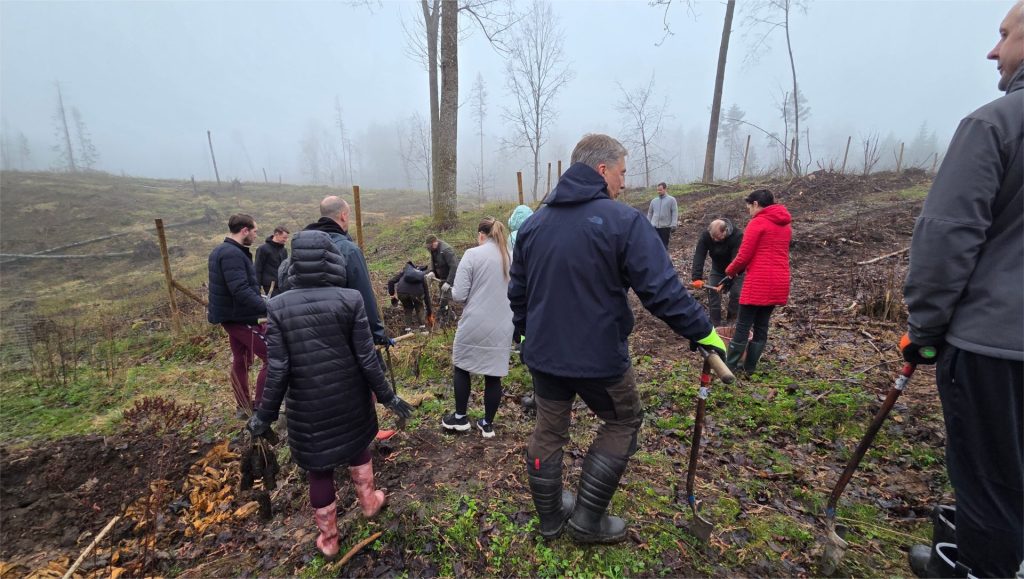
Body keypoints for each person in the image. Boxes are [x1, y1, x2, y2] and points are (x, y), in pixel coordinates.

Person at [509, 134, 726, 543]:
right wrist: (705, 332)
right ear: (602, 170)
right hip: (599, 359)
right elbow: (662, 291)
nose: (624, 183)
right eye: (622, 173)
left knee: (548, 431)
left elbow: (517, 295)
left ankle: (551, 519)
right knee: (623, 420)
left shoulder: (535, 225)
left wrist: (526, 335)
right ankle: (587, 520)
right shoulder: (623, 222)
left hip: (543, 356)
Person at [902, 3, 1023, 576]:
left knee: (992, 476)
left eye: (1004, 34)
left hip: (996, 344)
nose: (993, 50)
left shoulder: (995, 124)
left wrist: (925, 328)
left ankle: (978, 567)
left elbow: (945, 239)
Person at [246, 230, 413, 559]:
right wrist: (388, 396)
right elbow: (367, 358)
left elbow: (277, 369)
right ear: (331, 260)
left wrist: (264, 415)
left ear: (294, 263)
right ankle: (369, 502)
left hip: (306, 406)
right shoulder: (350, 299)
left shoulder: (277, 307)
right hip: (350, 396)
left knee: (318, 469)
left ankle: (329, 539)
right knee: (357, 446)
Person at [441, 218, 515, 438]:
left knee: (462, 367)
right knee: (493, 375)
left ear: (481, 235)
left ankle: (461, 418)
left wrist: (449, 290)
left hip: (474, 323)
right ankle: (487, 424)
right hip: (503, 325)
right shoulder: (511, 257)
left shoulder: (473, 255)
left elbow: (460, 295)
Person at [303, 197, 391, 347]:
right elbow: (363, 295)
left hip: (307, 337)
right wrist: (377, 334)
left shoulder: (300, 250)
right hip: (345, 336)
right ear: (343, 215)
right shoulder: (348, 250)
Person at [722, 190, 792, 376]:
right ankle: (750, 367)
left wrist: (729, 271)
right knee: (762, 325)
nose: (748, 210)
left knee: (743, 325)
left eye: (748, 206)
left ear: (755, 204)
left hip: (759, 282)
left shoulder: (757, 223)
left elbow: (744, 256)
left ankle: (729, 367)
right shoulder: (785, 225)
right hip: (779, 281)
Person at [207, 214, 268, 414]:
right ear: (245, 230)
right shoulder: (232, 254)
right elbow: (240, 290)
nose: (256, 235)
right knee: (274, 357)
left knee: (241, 360)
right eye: (255, 231)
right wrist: (266, 307)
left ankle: (243, 405)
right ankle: (261, 406)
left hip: (231, 315)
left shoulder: (221, 251)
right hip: (240, 317)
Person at [691, 219, 745, 326]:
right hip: (718, 269)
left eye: (718, 237)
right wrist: (696, 277)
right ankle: (715, 323)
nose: (715, 240)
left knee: (736, 294)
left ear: (725, 230)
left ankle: (731, 321)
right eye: (713, 238)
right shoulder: (706, 235)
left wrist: (728, 280)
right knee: (713, 293)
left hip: (737, 270)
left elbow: (737, 260)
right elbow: (699, 255)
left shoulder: (737, 236)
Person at [387, 262, 432, 331]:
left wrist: (392, 294)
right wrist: (429, 312)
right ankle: (423, 328)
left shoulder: (405, 272)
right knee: (419, 306)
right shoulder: (421, 276)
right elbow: (426, 296)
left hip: (402, 293)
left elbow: (390, 282)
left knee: (407, 308)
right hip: (416, 293)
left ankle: (408, 329)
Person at [425, 235, 460, 321]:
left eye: (430, 246)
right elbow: (433, 261)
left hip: (449, 278)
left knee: (444, 299)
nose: (429, 248)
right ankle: (451, 316)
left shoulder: (446, 250)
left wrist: (448, 282)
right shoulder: (433, 249)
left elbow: (454, 267)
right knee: (443, 298)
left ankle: (444, 319)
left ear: (434, 243)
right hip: (442, 278)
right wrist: (432, 271)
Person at [254, 226, 289, 297]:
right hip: (270, 287)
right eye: (284, 237)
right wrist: (257, 288)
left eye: (287, 238)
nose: (286, 240)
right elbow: (257, 269)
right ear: (276, 235)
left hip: (283, 286)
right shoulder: (263, 249)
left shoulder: (284, 250)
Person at [646, 182, 678, 249]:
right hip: (654, 227)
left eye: (660, 190)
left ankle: (664, 259)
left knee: (664, 246)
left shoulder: (671, 200)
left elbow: (674, 213)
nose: (658, 192)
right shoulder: (654, 201)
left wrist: (674, 224)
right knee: (654, 245)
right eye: (657, 190)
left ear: (665, 189)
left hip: (665, 227)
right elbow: (650, 213)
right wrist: (648, 224)